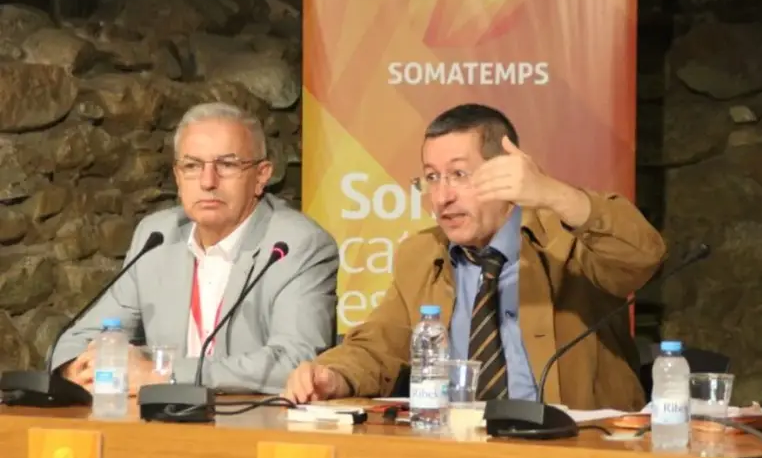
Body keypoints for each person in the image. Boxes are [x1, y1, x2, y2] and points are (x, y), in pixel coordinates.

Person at [284, 103, 666, 410]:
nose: (442, 197)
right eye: (432, 178)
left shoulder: (566, 240)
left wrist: (554, 194)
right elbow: (379, 344)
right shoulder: (422, 255)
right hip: (462, 450)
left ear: (506, 173)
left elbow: (642, 257)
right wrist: (332, 375)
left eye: (460, 175)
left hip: (576, 449)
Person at [52, 102, 340, 395]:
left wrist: (162, 375)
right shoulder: (157, 236)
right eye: (192, 166)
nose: (208, 182)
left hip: (253, 427)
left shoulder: (297, 245)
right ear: (178, 177)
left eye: (227, 165)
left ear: (262, 175)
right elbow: (78, 338)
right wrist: (79, 368)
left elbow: (295, 361)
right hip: (157, 424)